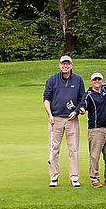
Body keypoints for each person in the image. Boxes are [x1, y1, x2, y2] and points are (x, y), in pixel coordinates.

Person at [76, 54, 106, 187]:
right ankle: (94, 179)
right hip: (96, 131)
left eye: (99, 80)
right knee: (95, 156)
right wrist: (82, 110)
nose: (97, 82)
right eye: (95, 80)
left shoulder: (103, 90)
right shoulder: (88, 94)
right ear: (91, 81)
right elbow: (82, 104)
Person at [43, 55, 86, 187]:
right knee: (54, 148)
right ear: (59, 65)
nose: (65, 66)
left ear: (71, 65)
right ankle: (54, 177)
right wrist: (50, 115)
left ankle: (74, 178)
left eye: (68, 64)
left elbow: (82, 98)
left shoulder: (78, 80)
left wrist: (78, 111)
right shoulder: (52, 80)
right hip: (55, 118)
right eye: (63, 64)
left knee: (73, 149)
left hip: (71, 119)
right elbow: (46, 100)